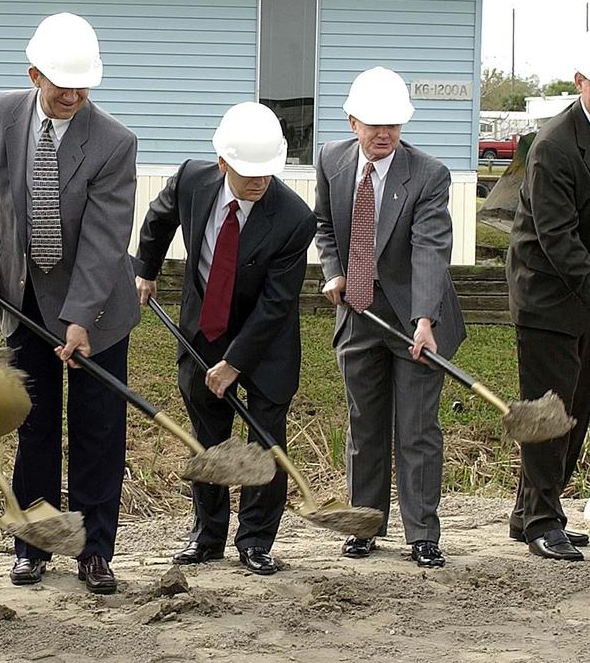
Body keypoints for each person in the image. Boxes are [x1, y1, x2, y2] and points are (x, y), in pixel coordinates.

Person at [0, 12, 139, 594]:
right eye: (60, 84)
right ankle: (35, 545)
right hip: (23, 301)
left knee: (96, 429)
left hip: (98, 310)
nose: (71, 95)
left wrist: (79, 318)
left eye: (82, 85)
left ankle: (94, 550)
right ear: (33, 73)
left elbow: (104, 240)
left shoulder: (114, 142)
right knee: (34, 426)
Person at [134, 102, 316, 575]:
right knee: (208, 441)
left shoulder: (295, 218)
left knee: (264, 440)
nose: (259, 182)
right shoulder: (193, 180)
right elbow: (158, 219)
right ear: (222, 164)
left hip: (266, 342)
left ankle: (255, 541)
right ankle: (207, 536)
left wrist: (235, 363)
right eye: (247, 173)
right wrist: (145, 272)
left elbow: (277, 303)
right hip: (204, 329)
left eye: (266, 173)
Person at [313, 66, 465, 569]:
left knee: (417, 426)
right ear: (352, 120)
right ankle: (365, 523)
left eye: (394, 126)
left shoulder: (427, 174)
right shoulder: (331, 160)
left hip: (413, 316)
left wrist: (425, 318)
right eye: (375, 125)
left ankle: (422, 533)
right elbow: (326, 227)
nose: (384, 135)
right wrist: (334, 273)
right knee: (365, 423)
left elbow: (430, 249)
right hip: (357, 311)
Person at [506, 38, 590, 562]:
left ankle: (532, 512)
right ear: (578, 81)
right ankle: (544, 522)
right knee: (550, 411)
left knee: (578, 406)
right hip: (546, 290)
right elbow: (557, 240)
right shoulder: (553, 146)